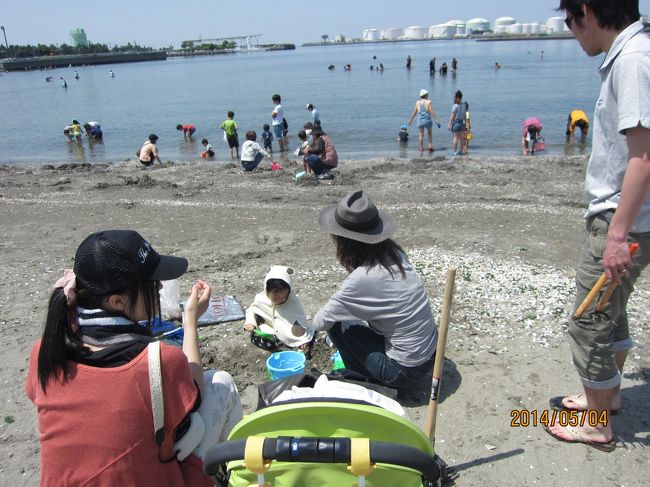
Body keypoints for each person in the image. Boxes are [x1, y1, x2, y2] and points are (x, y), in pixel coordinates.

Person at [25, 230, 243, 485]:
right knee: (220, 384)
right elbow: (195, 391)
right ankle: (232, 472)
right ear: (117, 301)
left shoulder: (45, 351)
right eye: (151, 284)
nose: (160, 286)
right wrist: (190, 321)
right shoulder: (156, 361)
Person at [546, 0, 650, 453]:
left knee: (588, 321)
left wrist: (616, 235)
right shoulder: (636, 54)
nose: (573, 34)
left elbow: (644, 157)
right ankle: (606, 398)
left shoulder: (633, 60)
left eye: (570, 23)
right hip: (629, 219)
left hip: (623, 220)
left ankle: (597, 421)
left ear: (585, 11)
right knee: (612, 310)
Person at [310, 191, 438, 398]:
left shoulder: (362, 278)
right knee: (353, 316)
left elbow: (321, 322)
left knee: (339, 325)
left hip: (402, 372)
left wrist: (299, 333)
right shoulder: (396, 255)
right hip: (432, 355)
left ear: (345, 241)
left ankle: (363, 379)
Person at [244, 266, 314, 352]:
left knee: (303, 342)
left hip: (286, 331)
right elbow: (252, 311)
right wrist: (251, 323)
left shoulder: (292, 302)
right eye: (276, 296)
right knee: (260, 339)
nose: (282, 299)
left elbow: (299, 321)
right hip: (268, 329)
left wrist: (302, 339)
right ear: (267, 291)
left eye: (285, 296)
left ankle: (288, 345)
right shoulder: (261, 299)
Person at [447, 90, 469, 155]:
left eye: (455, 97)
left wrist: (449, 124)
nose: (454, 98)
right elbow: (465, 116)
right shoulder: (464, 105)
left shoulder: (455, 106)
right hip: (462, 123)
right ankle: (462, 151)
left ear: (458, 98)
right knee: (462, 139)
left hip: (456, 123)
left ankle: (454, 152)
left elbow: (453, 116)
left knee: (455, 137)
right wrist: (466, 126)